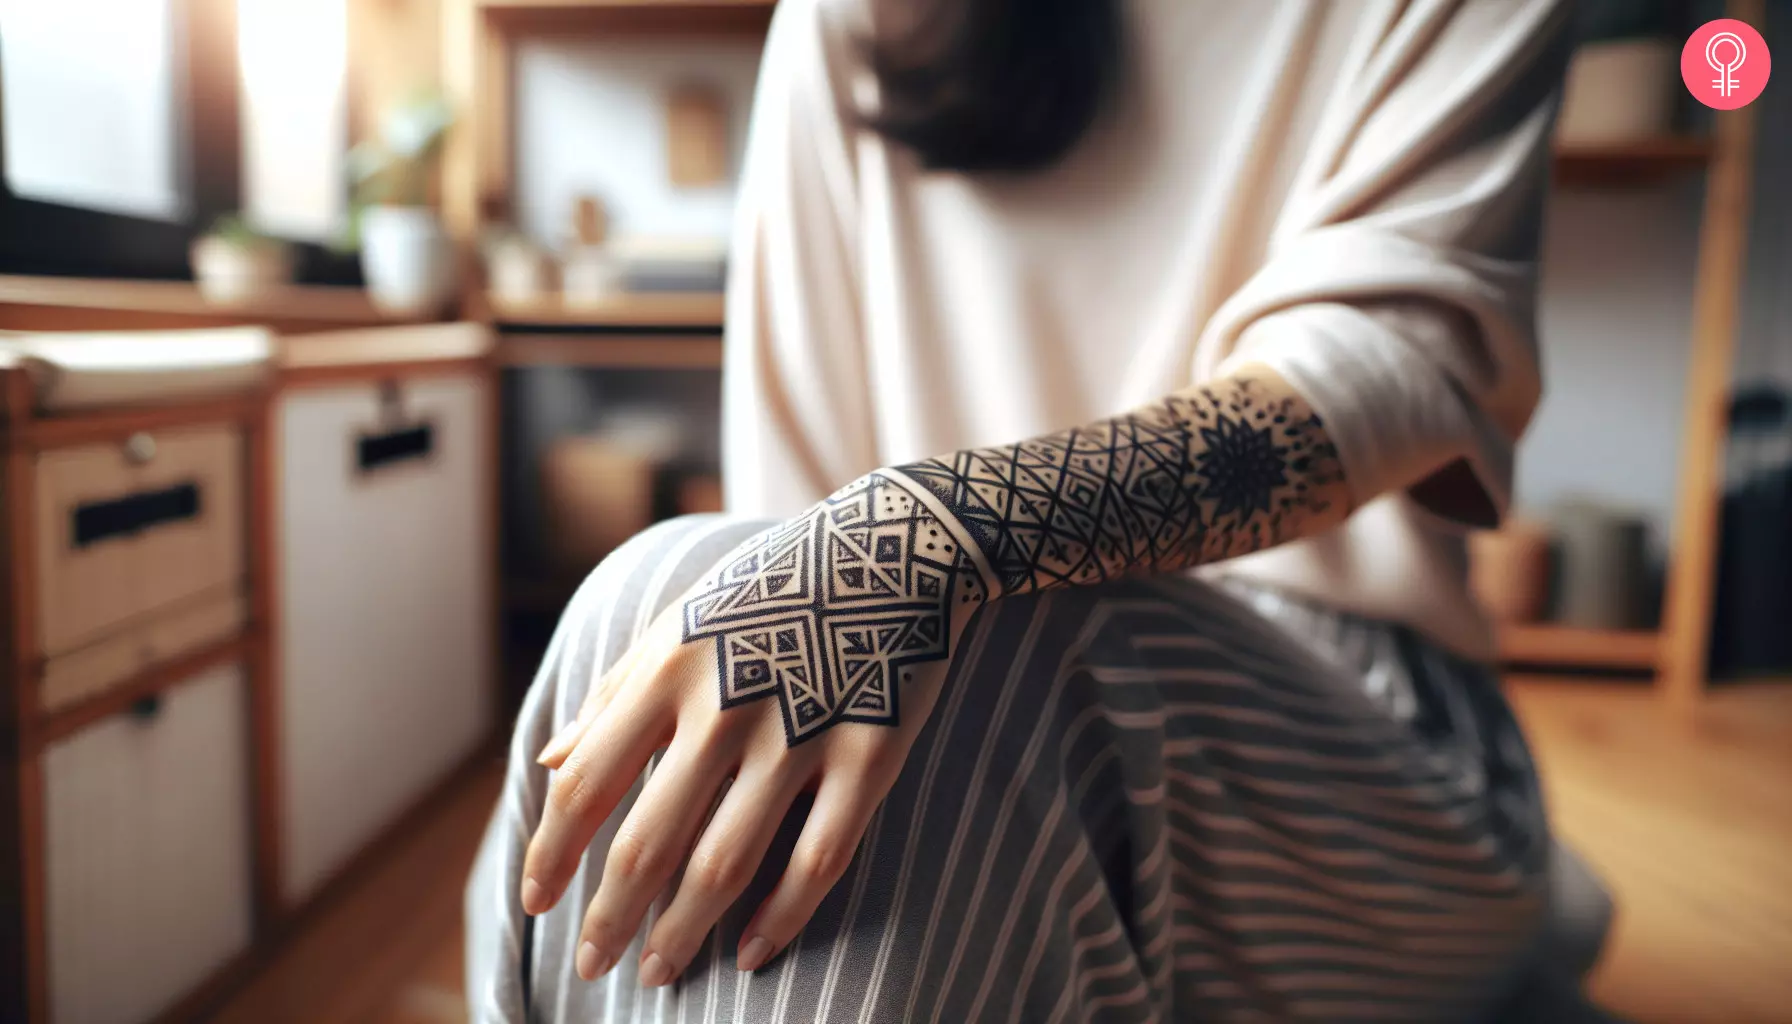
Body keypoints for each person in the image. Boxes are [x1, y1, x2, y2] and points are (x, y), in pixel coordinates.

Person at [467, 0, 1620, 1020]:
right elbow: (786, 512)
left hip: (1356, 741)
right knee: (674, 593)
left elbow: (1386, 368)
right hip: (969, 702)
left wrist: (947, 531)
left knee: (1000, 658)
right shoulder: (853, 18)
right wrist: (870, 564)